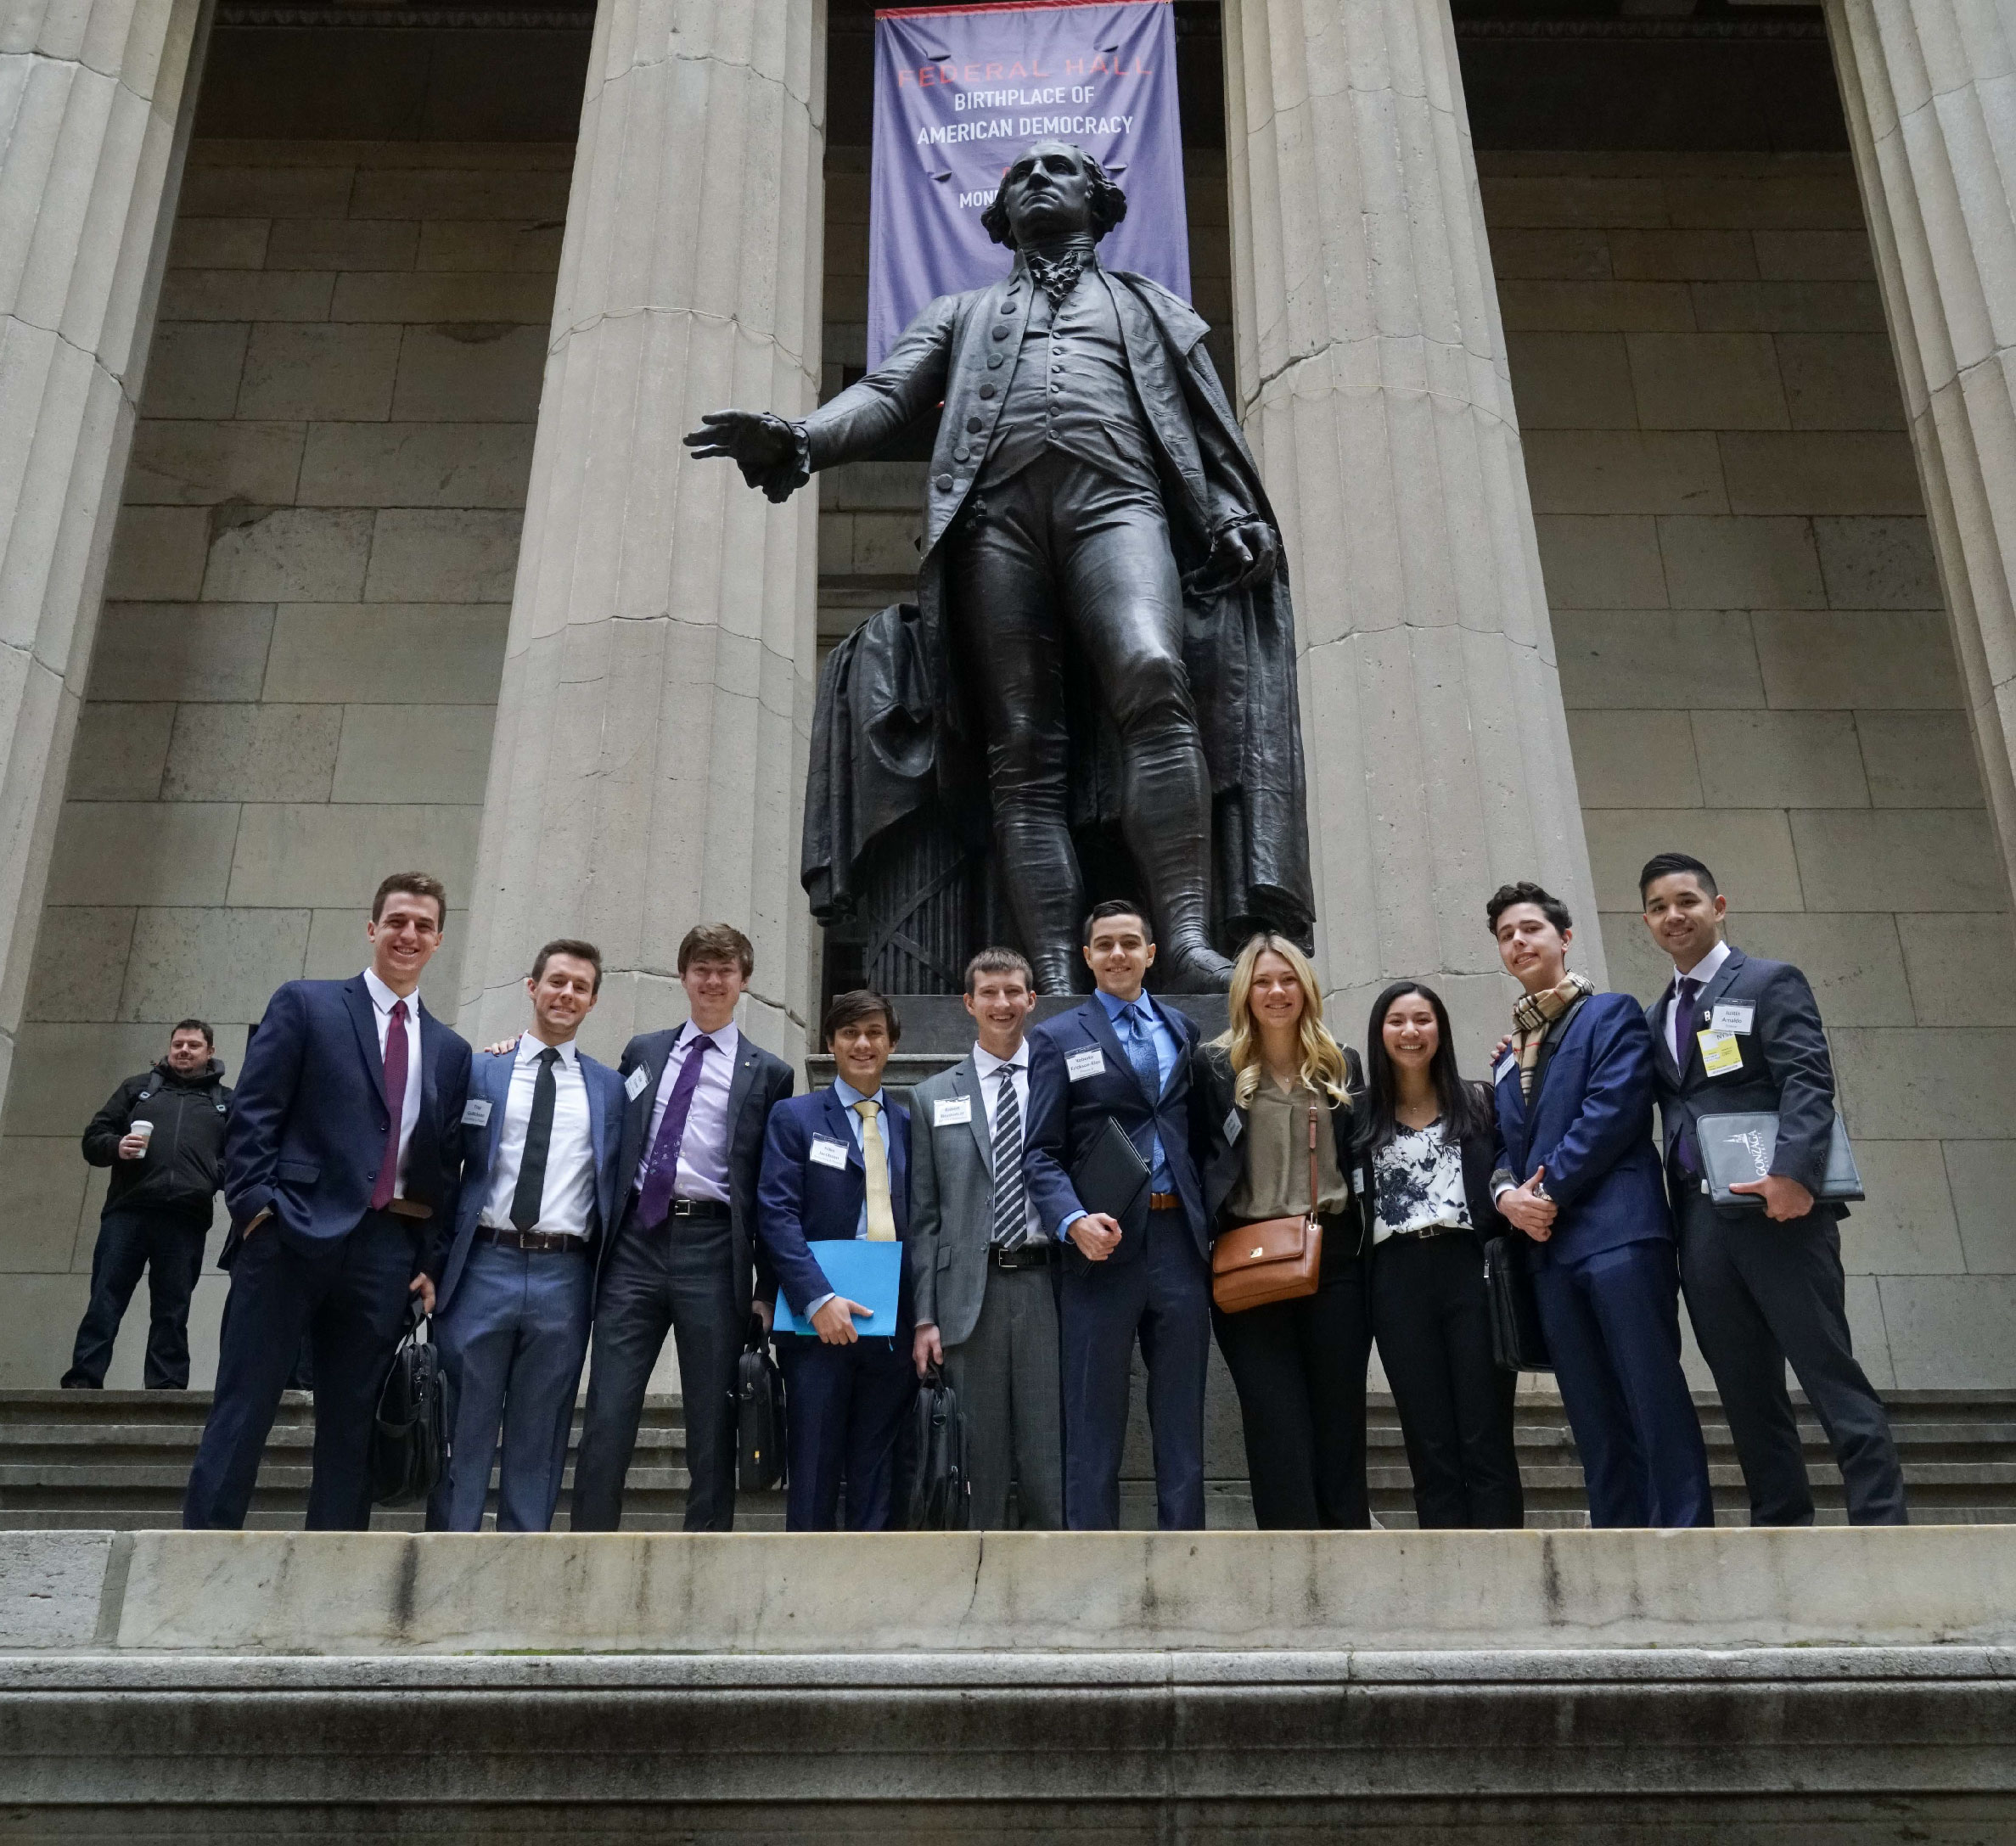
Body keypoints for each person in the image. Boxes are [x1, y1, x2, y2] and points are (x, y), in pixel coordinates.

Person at [689, 140, 1316, 995]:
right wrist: (801, 438)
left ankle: (1186, 939)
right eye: (1018, 177)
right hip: (996, 525)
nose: (1033, 181)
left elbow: (1200, 426)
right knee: (1021, 747)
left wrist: (1230, 513)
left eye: (1055, 170)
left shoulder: (1150, 308)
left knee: (1152, 670)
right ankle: (1053, 969)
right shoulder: (961, 313)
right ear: (1000, 215)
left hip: (1118, 506)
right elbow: (884, 395)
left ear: (1096, 202)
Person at [183, 873, 471, 1530]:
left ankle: (331, 1568)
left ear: (438, 941)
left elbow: (443, 1166)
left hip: (382, 1254)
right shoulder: (307, 1005)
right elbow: (253, 1115)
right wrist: (257, 1209)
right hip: (287, 1236)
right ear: (373, 928)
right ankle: (200, 1550)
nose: (408, 934)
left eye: (423, 926)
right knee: (244, 1407)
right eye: (397, 920)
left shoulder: (450, 1051)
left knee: (350, 1429)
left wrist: (428, 1255)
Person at [1639, 851, 1907, 1526]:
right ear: (1645, 921)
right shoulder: (1653, 1014)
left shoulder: (1766, 981)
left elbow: (1808, 1082)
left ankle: (1880, 1521)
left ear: (1718, 906)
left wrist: (1794, 1176)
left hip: (1778, 1206)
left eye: (1686, 901)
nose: (1673, 916)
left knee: (1825, 1366)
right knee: (1742, 1384)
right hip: (1699, 1219)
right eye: (1657, 907)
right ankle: (1781, 1522)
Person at [1487, 879, 1712, 1529]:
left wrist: (1544, 1192)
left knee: (1650, 1389)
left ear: (1563, 937)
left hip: (1619, 1236)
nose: (1518, 941)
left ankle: (1683, 1531)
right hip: (1548, 1253)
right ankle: (1618, 1533)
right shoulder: (1508, 1056)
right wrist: (1508, 1197)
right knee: (1589, 1409)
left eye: (1529, 928)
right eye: (1506, 935)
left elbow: (1609, 1113)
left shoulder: (1611, 1014)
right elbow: (1502, 1143)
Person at [571, 923, 795, 1533]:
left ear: (743, 982)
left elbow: (774, 1189)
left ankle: (706, 1552)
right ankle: (588, 1548)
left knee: (711, 1418)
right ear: (684, 976)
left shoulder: (769, 1073)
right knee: (609, 1411)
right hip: (636, 1245)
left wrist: (766, 1287)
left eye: (725, 970)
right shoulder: (643, 1051)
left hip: (714, 1248)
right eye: (701, 968)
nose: (712, 980)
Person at [1025, 900, 1210, 1529]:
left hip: (1178, 1243)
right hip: (1099, 1249)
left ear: (1151, 953)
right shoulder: (1055, 1036)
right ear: (1086, 957)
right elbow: (1040, 1153)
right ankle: (1090, 1558)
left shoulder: (1184, 1029)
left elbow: (1200, 1136)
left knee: (1182, 1411)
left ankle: (1184, 1549)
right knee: (1093, 1412)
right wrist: (1072, 1220)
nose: (1117, 954)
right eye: (1104, 944)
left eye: (1130, 942)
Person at [428, 940, 624, 1532]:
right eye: (556, 981)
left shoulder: (610, 1089)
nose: (566, 994)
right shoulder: (480, 1069)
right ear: (531, 986)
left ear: (592, 1002)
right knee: (463, 1427)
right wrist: (430, 1264)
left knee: (541, 1433)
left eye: (579, 987)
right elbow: (440, 1168)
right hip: (482, 1264)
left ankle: (521, 1563)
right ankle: (449, 1556)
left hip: (564, 1274)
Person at [1193, 934, 1371, 1529]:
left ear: (1305, 988)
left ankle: (1345, 1544)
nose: (1276, 992)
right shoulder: (1215, 1067)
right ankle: (1290, 1555)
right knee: (1274, 1419)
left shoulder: (1340, 1061)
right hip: (1247, 1255)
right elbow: (1199, 1157)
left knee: (1338, 1414)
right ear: (1245, 991)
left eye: (1287, 979)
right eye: (1264, 981)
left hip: (1334, 1256)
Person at [1359, 981, 1524, 1529]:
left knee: (1486, 1432)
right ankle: (1448, 1577)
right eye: (1397, 1020)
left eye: (1423, 1019)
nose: (1410, 1032)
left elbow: (1512, 1164)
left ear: (1440, 1030)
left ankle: (1506, 1567)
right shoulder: (1359, 1119)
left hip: (1469, 1271)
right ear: (1379, 1033)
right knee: (1427, 1439)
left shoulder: (1477, 1101)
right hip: (1395, 1277)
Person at [909, 947, 1064, 1529]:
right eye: (989, 992)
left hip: (1045, 1284)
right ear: (968, 1003)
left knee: (1049, 1457)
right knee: (976, 1465)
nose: (1002, 1003)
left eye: (1012, 991)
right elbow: (924, 1219)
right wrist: (925, 1317)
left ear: (1031, 1000)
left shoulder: (1057, 1083)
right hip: (964, 1298)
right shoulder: (929, 1097)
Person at [756, 990, 915, 1530]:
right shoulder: (795, 1117)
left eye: (874, 1032)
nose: (862, 1043)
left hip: (891, 1322)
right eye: (849, 1033)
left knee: (879, 1469)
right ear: (831, 1044)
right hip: (815, 1322)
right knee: (815, 1464)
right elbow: (776, 1215)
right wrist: (817, 1298)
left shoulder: (911, 1125)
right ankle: (803, 1595)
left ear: (892, 1043)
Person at [63, 1020, 232, 1390]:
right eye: (178, 1044)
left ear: (210, 1052)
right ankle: (83, 1381)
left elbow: (241, 1157)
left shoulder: (225, 1102)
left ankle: (167, 1387)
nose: (184, 1051)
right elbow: (94, 1138)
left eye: (193, 1045)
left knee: (172, 1309)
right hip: (128, 1212)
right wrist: (116, 1146)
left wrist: (209, 1175)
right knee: (105, 1299)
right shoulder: (138, 1089)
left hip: (186, 1217)